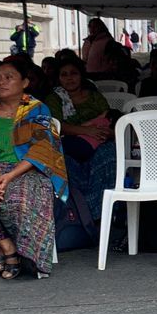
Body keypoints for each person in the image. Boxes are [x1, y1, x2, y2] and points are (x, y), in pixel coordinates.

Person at [0, 56, 67, 277]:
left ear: (25, 82)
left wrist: (9, 176)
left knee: (22, 196)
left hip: (26, 169)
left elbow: (42, 149)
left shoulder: (37, 109)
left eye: (9, 77)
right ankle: (8, 248)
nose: (1, 82)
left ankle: (24, 255)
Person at [46, 56, 117, 229]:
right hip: (68, 146)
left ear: (81, 75)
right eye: (64, 75)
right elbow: (56, 126)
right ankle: (82, 214)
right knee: (64, 161)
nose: (69, 78)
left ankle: (104, 212)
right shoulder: (54, 99)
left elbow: (110, 118)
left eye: (73, 73)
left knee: (111, 156)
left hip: (99, 143)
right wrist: (87, 130)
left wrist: (107, 133)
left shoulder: (94, 97)